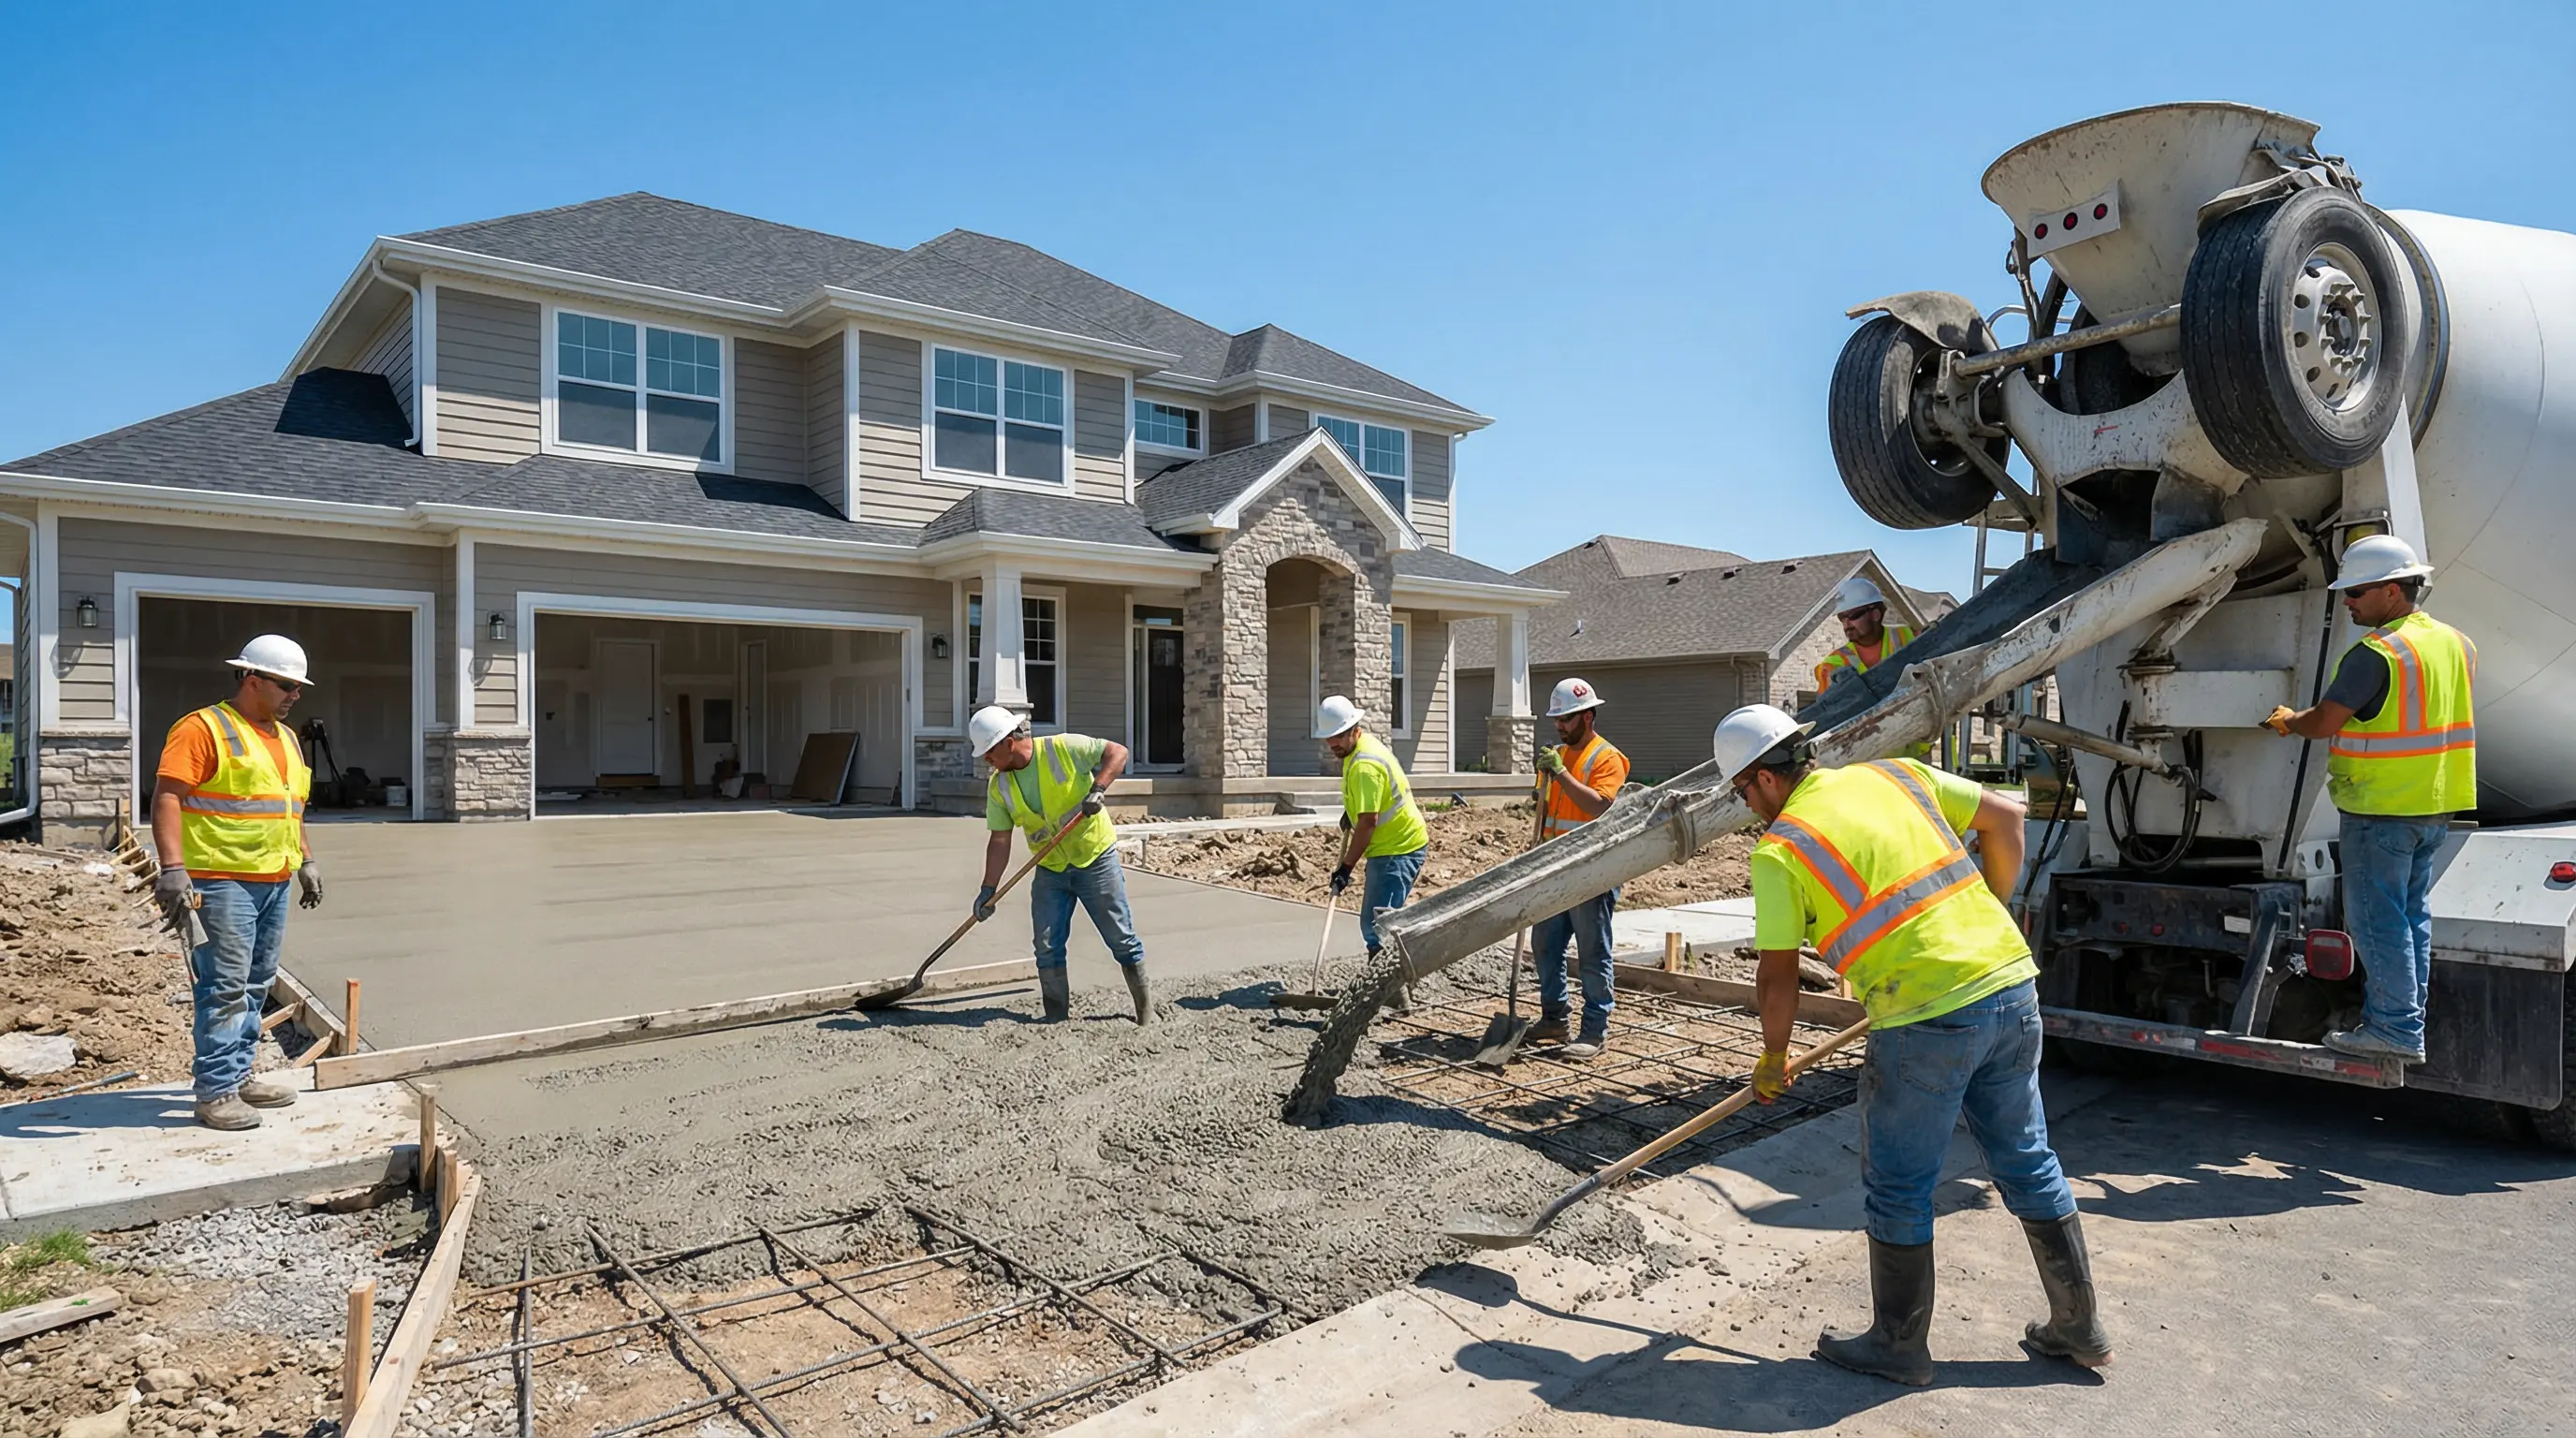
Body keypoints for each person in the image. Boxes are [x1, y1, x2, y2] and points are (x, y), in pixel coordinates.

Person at [1720, 702, 2106, 1385]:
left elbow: (1777, 974)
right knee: (2026, 1156)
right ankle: (2080, 1325)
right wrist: (1988, 915)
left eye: (1740, 792)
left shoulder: (1781, 849)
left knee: (1899, 1184)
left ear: (1763, 780)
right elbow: (2008, 820)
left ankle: (1898, 1345)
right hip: (2009, 983)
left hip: (1924, 1016)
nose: (1746, 806)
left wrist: (1774, 1058)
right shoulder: (1896, 775)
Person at [2263, 534, 2474, 1064]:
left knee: (2378, 923)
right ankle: (2406, 1022)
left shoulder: (2376, 653)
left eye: (2356, 591)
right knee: (2409, 918)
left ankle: (2395, 1031)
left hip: (2380, 809)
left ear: (2391, 591)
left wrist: (2289, 722)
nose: (2347, 601)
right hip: (2433, 805)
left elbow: (2325, 722)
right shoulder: (2456, 642)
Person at [151, 635, 325, 1132]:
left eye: (299, 687)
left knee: (256, 984)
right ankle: (216, 1091)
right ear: (253, 680)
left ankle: (239, 1075)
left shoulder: (287, 738)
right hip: (222, 880)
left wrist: (306, 861)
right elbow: (167, 796)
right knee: (224, 987)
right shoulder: (204, 728)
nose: (296, 695)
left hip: (273, 879)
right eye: (288, 685)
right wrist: (172, 868)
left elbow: (292, 807)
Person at [969, 704, 1149, 1024]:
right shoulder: (1000, 787)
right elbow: (999, 840)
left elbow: (1118, 753)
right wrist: (987, 889)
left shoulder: (1063, 748)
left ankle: (1146, 1012)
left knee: (1121, 938)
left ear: (1008, 742)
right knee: (1047, 944)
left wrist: (1098, 789)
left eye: (988, 751)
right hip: (1051, 867)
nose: (986, 759)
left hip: (1094, 858)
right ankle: (1056, 1019)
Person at [1526, 677, 1630, 1060]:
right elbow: (1545, 806)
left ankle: (1594, 1030)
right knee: (1545, 944)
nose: (1560, 726)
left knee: (1592, 952)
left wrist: (1561, 774)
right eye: (1557, 719)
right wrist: (1542, 784)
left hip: (1592, 870)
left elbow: (1600, 806)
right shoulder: (1558, 754)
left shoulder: (1607, 758)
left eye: (1567, 719)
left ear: (1587, 716)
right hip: (1555, 868)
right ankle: (1554, 1018)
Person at [1318, 695, 1428, 967]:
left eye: (1339, 736)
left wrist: (1345, 868)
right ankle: (1386, 983)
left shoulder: (1365, 765)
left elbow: (1369, 822)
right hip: (1391, 844)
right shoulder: (1356, 749)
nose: (1333, 744)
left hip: (1398, 848)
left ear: (1355, 728)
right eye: (1329, 737)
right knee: (1377, 922)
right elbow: (1369, 806)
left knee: (1380, 926)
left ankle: (1391, 991)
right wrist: (1352, 812)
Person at [1811, 576, 1917, 696]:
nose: (1846, 624)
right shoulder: (1833, 664)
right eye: (1842, 618)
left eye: (1853, 615)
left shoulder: (1910, 636)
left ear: (1875, 614)